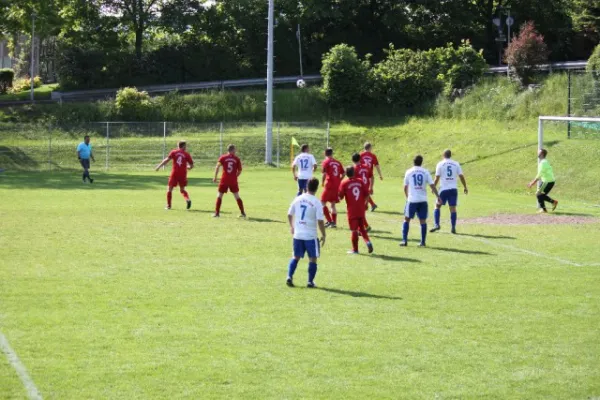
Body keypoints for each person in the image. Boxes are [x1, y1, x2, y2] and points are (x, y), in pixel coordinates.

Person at [286, 178, 327, 288]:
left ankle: (289, 276)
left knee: (295, 257)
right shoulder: (316, 202)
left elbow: (289, 214)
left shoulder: (298, 199)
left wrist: (292, 226)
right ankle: (310, 281)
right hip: (310, 235)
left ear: (306, 186)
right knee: (313, 258)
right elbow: (320, 220)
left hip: (298, 234)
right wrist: (323, 234)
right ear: (317, 188)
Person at [400, 155, 440, 247]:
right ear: (421, 162)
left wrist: (407, 197)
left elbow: (405, 187)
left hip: (412, 200)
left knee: (406, 219)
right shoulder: (425, 172)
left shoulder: (409, 171)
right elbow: (432, 185)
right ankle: (422, 242)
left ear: (413, 162)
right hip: (423, 200)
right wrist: (438, 196)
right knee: (423, 221)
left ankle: (404, 240)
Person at [430, 149, 468, 234]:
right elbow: (461, 176)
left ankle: (437, 224)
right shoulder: (456, 163)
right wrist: (465, 186)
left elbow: (437, 178)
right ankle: (453, 227)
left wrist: (433, 187)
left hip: (443, 189)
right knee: (453, 208)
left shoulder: (440, 164)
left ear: (443, 155)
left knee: (437, 206)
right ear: (450, 155)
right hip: (453, 189)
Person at [339, 166, 374, 255]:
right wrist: (365, 203)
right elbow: (367, 194)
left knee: (354, 230)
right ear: (354, 172)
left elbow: (340, 197)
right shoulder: (360, 181)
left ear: (346, 174)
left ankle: (355, 249)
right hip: (361, 208)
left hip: (352, 210)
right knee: (362, 228)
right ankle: (368, 242)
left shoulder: (344, 183)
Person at [155, 141, 194, 210]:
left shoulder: (174, 152)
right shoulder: (186, 154)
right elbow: (191, 166)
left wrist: (158, 166)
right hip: (183, 174)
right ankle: (187, 199)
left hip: (175, 173)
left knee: (169, 189)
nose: (186, 147)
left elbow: (166, 160)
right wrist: (187, 167)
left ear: (178, 146)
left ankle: (168, 206)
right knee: (182, 190)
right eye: (185, 146)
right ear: (183, 146)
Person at [213, 144, 246, 218]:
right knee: (237, 196)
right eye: (235, 149)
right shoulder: (236, 159)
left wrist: (215, 177)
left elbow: (217, 166)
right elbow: (240, 170)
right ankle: (243, 213)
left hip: (224, 180)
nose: (236, 151)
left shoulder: (223, 157)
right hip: (233, 181)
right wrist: (235, 176)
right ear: (232, 150)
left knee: (219, 195)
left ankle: (217, 213)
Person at [528, 148, 559, 213]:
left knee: (538, 194)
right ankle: (551, 204)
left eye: (538, 152)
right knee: (540, 195)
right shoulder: (545, 161)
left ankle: (546, 208)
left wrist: (532, 183)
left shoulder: (543, 163)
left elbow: (539, 175)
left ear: (541, 154)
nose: (537, 153)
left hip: (547, 181)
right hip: (549, 181)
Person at [321, 148, 344, 228]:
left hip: (329, 184)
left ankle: (330, 221)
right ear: (332, 153)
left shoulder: (325, 162)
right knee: (333, 204)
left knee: (322, 203)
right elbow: (343, 173)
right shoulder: (337, 162)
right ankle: (333, 222)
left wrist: (322, 182)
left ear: (325, 153)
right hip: (336, 185)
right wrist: (339, 180)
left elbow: (324, 174)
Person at [352, 153, 372, 232]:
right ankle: (364, 226)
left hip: (359, 191)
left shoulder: (354, 168)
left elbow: (353, 180)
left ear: (352, 160)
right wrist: (371, 187)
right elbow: (372, 177)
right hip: (366, 189)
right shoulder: (366, 167)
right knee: (361, 210)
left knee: (358, 211)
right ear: (360, 159)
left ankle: (364, 227)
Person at [360, 142, 383, 211]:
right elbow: (377, 166)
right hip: (370, 176)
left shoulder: (360, 155)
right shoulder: (373, 155)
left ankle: (368, 205)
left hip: (362, 174)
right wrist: (380, 175)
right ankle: (372, 205)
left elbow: (357, 164)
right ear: (370, 148)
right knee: (364, 191)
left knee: (363, 191)